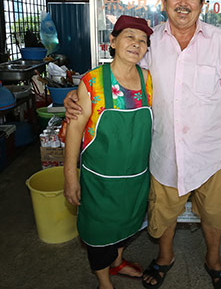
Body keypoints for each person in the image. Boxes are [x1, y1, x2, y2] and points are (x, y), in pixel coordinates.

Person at [66, 0, 221, 289]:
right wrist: (79, 92)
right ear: (164, 2)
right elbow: (121, 74)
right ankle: (165, 257)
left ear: (202, 3)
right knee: (163, 214)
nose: (184, 2)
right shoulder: (150, 43)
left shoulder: (219, 42)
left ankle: (214, 260)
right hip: (163, 151)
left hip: (210, 153)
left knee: (215, 215)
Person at [64, 15, 154, 289]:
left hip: (136, 176)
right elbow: (75, 131)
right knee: (99, 231)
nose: (136, 44)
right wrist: (70, 176)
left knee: (129, 224)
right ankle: (104, 281)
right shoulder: (92, 82)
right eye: (129, 37)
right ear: (112, 42)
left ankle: (118, 262)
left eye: (143, 41)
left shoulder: (148, 79)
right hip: (100, 179)